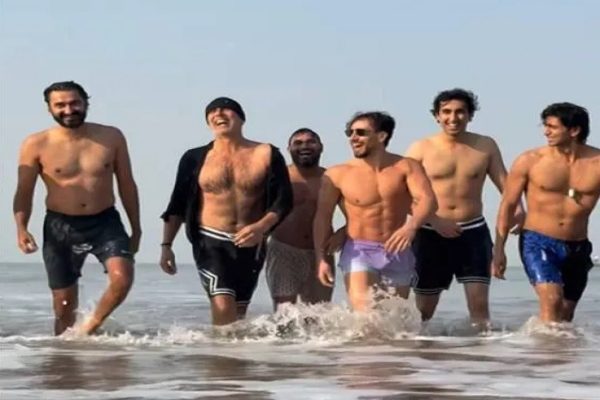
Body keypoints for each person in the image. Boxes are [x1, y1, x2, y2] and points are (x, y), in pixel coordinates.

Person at [13, 81, 140, 335]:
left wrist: (136, 228)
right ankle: (65, 355)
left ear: (85, 103)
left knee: (122, 278)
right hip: (60, 226)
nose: (69, 110)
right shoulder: (36, 143)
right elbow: (24, 191)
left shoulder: (111, 137)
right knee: (64, 307)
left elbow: (127, 184)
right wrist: (21, 228)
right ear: (49, 108)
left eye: (74, 103)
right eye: (60, 105)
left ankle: (89, 327)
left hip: (105, 222)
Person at [159, 97, 293, 325]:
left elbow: (284, 200)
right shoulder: (194, 158)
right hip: (210, 241)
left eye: (226, 110)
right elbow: (177, 204)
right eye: (212, 112)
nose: (219, 114)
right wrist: (166, 246)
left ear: (241, 118)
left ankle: (226, 349)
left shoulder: (266, 153)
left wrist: (261, 228)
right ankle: (220, 348)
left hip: (252, 243)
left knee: (238, 314)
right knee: (222, 303)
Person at [406, 88, 524, 327]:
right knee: (424, 311)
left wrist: (519, 209)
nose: (453, 118)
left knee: (479, 309)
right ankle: (421, 350)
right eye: (446, 112)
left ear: (470, 115)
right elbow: (401, 194)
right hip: (430, 233)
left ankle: (480, 351)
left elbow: (506, 184)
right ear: (437, 116)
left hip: (473, 231)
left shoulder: (485, 145)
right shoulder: (420, 148)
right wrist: (435, 220)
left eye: (460, 112)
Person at [313, 111, 437, 311]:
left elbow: (427, 200)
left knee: (394, 319)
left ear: (381, 136)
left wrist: (411, 227)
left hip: (398, 249)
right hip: (359, 250)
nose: (353, 138)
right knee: (365, 316)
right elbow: (322, 217)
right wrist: (321, 259)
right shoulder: (338, 173)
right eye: (350, 133)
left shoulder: (406, 166)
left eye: (361, 132)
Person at [493, 102, 599, 323]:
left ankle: (550, 345)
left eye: (552, 127)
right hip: (538, 241)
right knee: (552, 300)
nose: (546, 132)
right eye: (545, 126)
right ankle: (545, 346)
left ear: (574, 130)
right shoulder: (530, 161)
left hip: (578, 246)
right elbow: (508, 205)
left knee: (566, 314)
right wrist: (499, 249)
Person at [265, 128, 333, 309]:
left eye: (311, 142)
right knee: (284, 312)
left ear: (321, 147)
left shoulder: (331, 179)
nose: (305, 146)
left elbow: (355, 211)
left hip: (321, 252)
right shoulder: (278, 178)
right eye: (298, 143)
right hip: (284, 250)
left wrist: (342, 234)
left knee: (319, 312)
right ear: (289, 149)